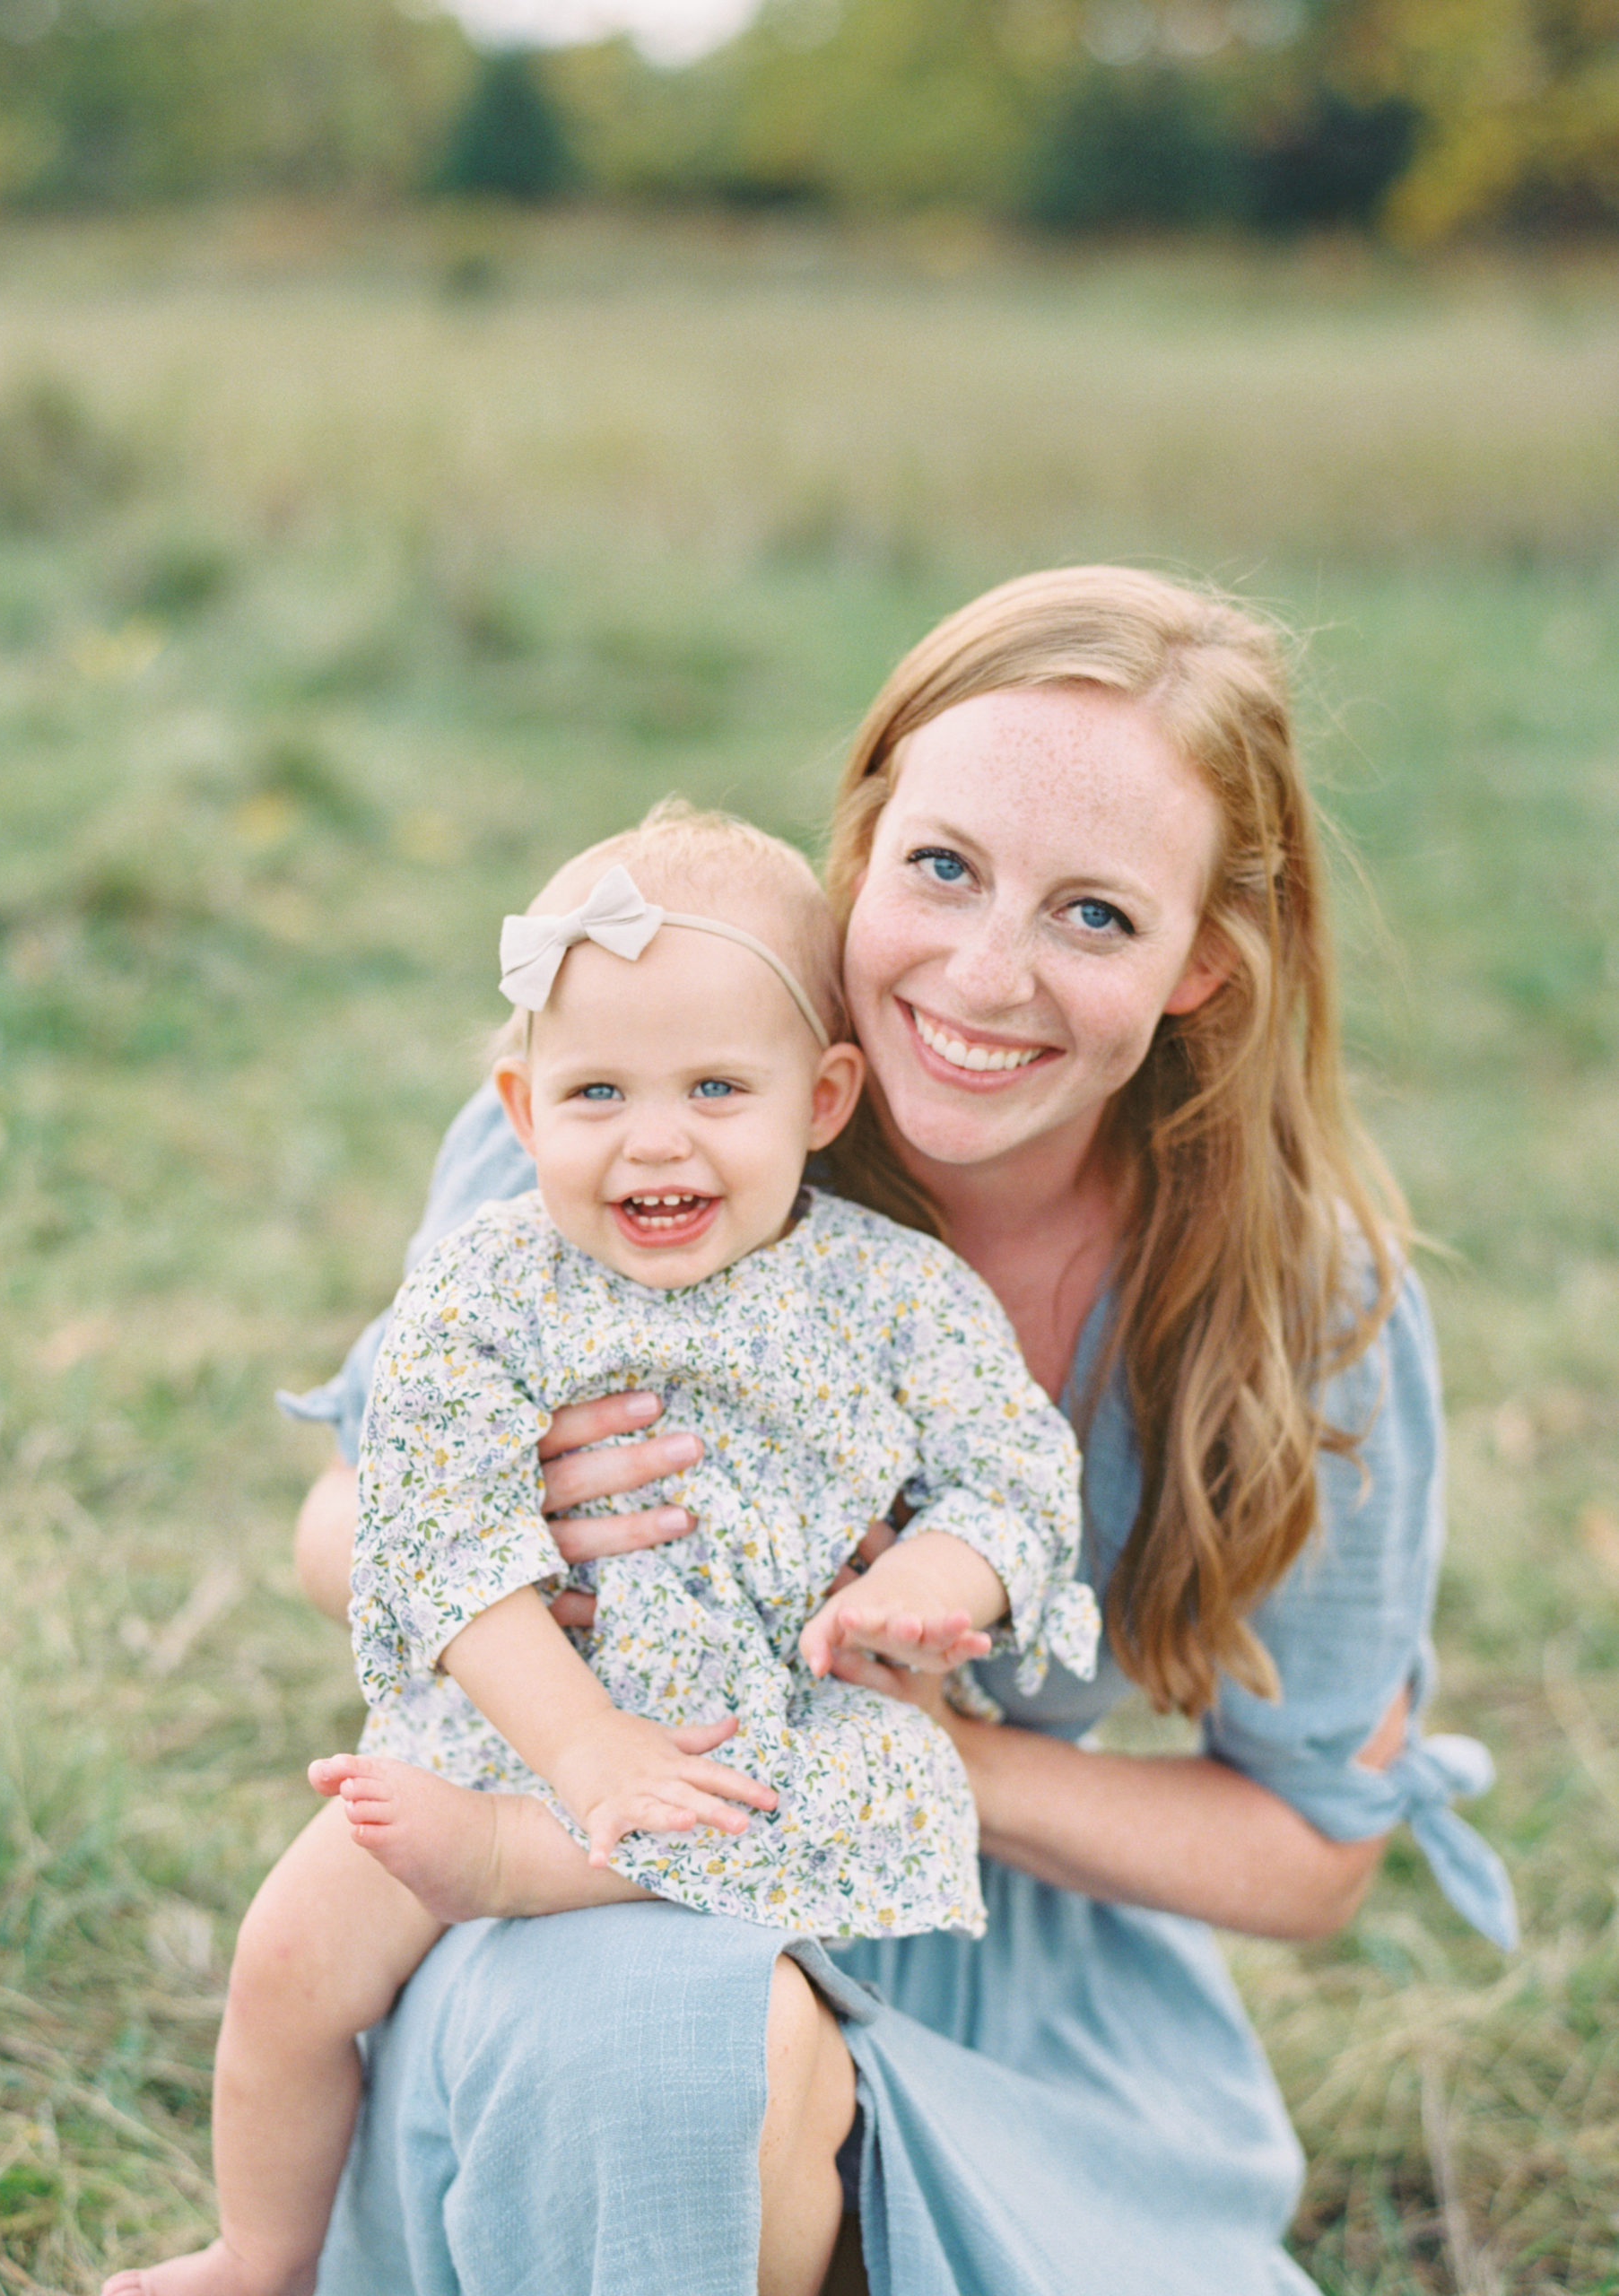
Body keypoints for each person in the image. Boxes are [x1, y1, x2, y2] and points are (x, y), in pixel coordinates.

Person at [283, 568, 1516, 2296]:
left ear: (1200, 966)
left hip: (994, 1954)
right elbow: (336, 1527)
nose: (983, 974)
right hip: (582, 1870)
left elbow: (1313, 1853)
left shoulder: (1298, 1305)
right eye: (942, 868)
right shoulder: (641, 1113)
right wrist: (529, 1549)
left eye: (1094, 916)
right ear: (861, 845)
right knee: (648, 2045)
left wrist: (912, 1753)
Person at [104, 807, 1098, 2296]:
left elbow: (1014, 1473)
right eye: (595, 1091)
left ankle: (526, 1867)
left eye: (715, 1087)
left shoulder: (897, 1294)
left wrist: (925, 1585)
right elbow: (436, 1536)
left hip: (767, 1733)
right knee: (288, 1956)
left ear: (823, 1097)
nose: (655, 1137)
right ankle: (263, 2252)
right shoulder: (486, 1289)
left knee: (885, 1790)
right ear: (520, 1109)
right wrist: (579, 1749)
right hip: (509, 1725)